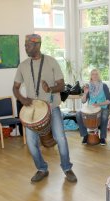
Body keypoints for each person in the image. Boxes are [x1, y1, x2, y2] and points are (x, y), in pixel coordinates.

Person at [12, 34, 77, 183]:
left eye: (28, 45)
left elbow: (61, 85)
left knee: (61, 138)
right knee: (31, 142)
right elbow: (15, 88)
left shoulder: (51, 62)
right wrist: (22, 99)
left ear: (37, 45)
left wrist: (50, 89)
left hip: (51, 107)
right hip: (32, 111)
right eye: (25, 45)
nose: (26, 47)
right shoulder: (23, 65)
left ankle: (67, 168)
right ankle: (42, 168)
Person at [76, 69, 110, 146]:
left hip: (103, 107)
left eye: (96, 74)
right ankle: (85, 135)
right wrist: (85, 93)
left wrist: (99, 104)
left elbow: (109, 100)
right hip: (91, 108)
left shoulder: (104, 86)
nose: (94, 76)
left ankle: (102, 137)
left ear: (98, 76)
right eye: (93, 74)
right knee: (78, 114)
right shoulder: (88, 86)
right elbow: (83, 101)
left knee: (104, 116)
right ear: (91, 76)